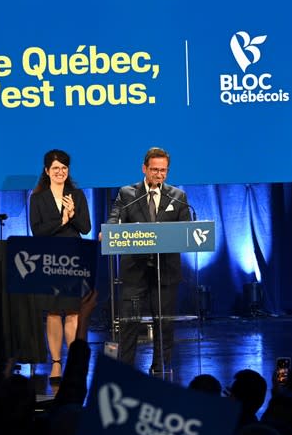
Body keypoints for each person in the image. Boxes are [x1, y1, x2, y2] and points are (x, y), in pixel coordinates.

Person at [106, 147, 191, 374]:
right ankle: (125, 371)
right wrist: (109, 231)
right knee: (129, 324)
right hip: (135, 270)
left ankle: (160, 369)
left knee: (164, 324)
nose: (159, 175)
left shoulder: (178, 196)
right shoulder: (127, 194)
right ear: (144, 169)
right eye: (154, 170)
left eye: (163, 171)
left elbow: (187, 231)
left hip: (166, 271)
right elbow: (114, 219)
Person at [29, 149, 91, 381]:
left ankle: (73, 364)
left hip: (74, 258)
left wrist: (73, 215)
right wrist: (62, 221)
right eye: (55, 168)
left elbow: (85, 228)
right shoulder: (37, 198)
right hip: (49, 259)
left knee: (73, 312)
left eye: (64, 168)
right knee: (54, 312)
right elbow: (38, 231)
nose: (60, 172)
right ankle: (56, 363)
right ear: (47, 171)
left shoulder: (77, 194)